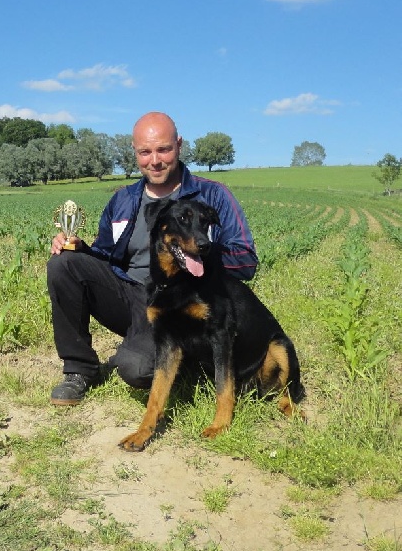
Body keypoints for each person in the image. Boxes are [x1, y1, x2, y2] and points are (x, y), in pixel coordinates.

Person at [47, 111, 259, 405]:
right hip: (130, 294)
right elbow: (106, 255)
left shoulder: (213, 195)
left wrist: (197, 259)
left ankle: (189, 356)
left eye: (163, 149)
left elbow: (246, 260)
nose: (155, 160)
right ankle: (79, 370)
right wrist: (79, 248)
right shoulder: (123, 199)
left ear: (179, 145)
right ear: (134, 152)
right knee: (63, 263)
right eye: (145, 152)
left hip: (182, 302)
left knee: (136, 370)